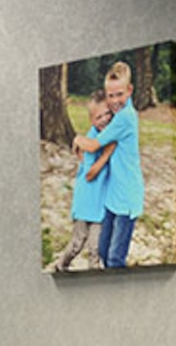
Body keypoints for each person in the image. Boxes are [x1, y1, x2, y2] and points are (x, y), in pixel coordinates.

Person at [73, 61, 145, 269]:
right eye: (110, 95)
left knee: (114, 258)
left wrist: (77, 139)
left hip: (127, 197)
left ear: (130, 90)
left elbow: (94, 145)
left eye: (119, 94)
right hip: (113, 195)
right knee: (103, 250)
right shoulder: (116, 115)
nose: (114, 101)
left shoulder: (125, 118)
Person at [54, 89, 118, 272]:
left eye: (108, 113)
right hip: (85, 201)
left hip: (100, 203)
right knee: (77, 242)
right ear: (91, 120)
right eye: (99, 117)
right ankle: (61, 265)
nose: (105, 119)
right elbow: (90, 174)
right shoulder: (89, 139)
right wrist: (106, 154)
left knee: (95, 248)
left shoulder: (109, 135)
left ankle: (95, 278)